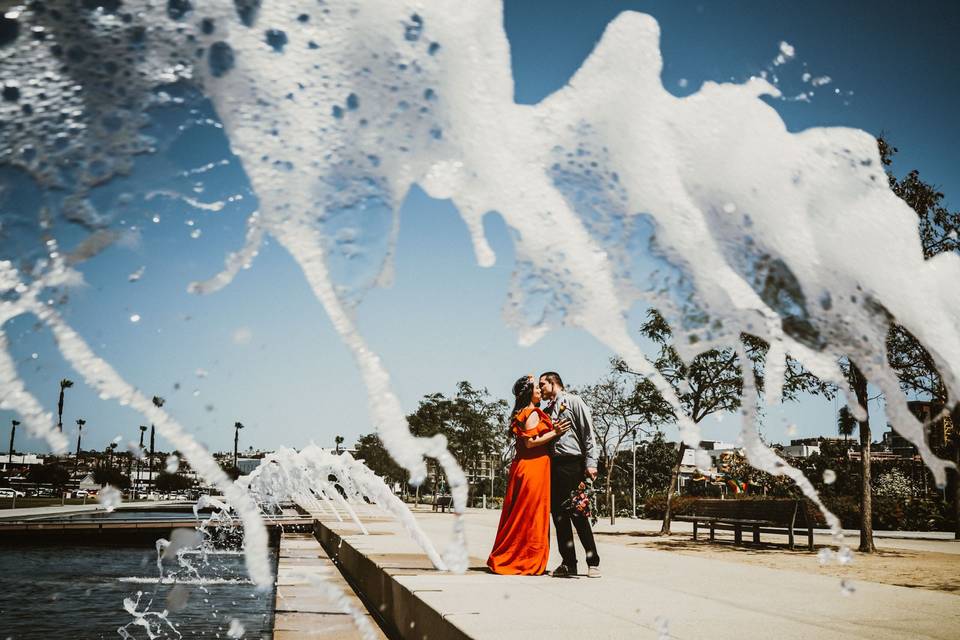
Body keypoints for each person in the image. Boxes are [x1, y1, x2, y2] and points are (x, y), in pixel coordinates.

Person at [487, 375, 570, 575]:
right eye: (536, 388)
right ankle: (525, 559)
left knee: (522, 515)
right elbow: (530, 442)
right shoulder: (531, 412)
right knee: (530, 516)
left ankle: (519, 555)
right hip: (533, 468)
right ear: (529, 393)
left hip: (529, 467)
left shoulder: (526, 412)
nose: (540, 391)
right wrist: (555, 433)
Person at [539, 371, 601, 578]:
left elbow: (589, 434)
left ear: (553, 382)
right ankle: (568, 563)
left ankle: (593, 562)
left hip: (572, 464)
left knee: (578, 513)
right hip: (553, 466)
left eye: (542, 385)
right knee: (559, 517)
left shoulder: (574, 401)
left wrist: (591, 464)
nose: (540, 390)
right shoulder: (546, 410)